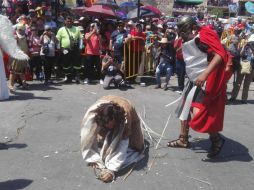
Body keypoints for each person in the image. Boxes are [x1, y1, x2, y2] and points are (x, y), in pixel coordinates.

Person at [167, 16, 228, 158]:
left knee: (199, 112)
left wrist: (205, 75)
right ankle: (183, 139)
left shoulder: (203, 36)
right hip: (193, 78)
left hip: (204, 80)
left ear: (190, 27)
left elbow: (220, 55)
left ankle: (216, 140)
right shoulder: (189, 37)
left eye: (183, 30)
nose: (182, 33)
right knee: (185, 108)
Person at [81, 95, 144, 183]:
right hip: (108, 100)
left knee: (137, 147)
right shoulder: (94, 113)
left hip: (130, 116)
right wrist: (92, 158)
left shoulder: (125, 118)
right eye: (108, 125)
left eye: (112, 125)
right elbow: (86, 135)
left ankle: (114, 132)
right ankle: (106, 133)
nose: (110, 127)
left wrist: (111, 170)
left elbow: (122, 146)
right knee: (104, 135)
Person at [0, 15, 28, 99]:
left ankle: (22, 83)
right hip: (15, 56)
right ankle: (11, 84)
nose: (21, 31)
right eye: (20, 29)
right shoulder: (15, 36)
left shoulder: (21, 37)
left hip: (18, 56)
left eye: (22, 29)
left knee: (19, 71)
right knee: (13, 71)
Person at [56, 16, 82, 83]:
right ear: (65, 22)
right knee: (66, 64)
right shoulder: (61, 29)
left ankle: (77, 77)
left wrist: (80, 48)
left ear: (72, 22)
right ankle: (68, 77)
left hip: (75, 49)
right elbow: (58, 40)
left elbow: (81, 39)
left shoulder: (77, 29)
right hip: (65, 49)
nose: (69, 22)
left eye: (70, 21)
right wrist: (59, 48)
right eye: (68, 21)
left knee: (77, 64)